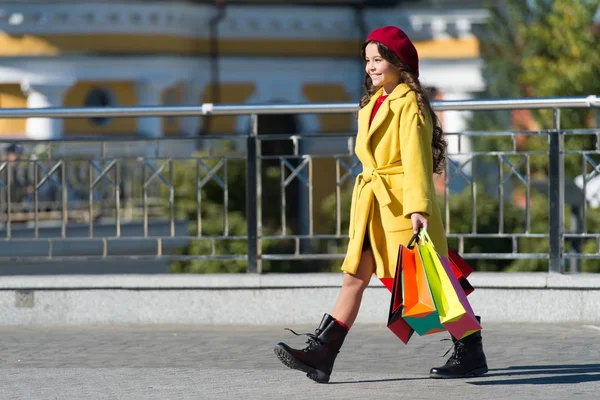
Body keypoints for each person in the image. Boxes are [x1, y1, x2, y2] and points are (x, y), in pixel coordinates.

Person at [273, 26, 488, 383]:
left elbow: (416, 157)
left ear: (398, 63)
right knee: (353, 278)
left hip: (402, 205)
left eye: (378, 60)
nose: (371, 67)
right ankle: (322, 353)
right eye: (368, 61)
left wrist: (418, 206)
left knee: (432, 283)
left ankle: (471, 350)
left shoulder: (409, 104)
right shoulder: (373, 103)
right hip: (373, 203)